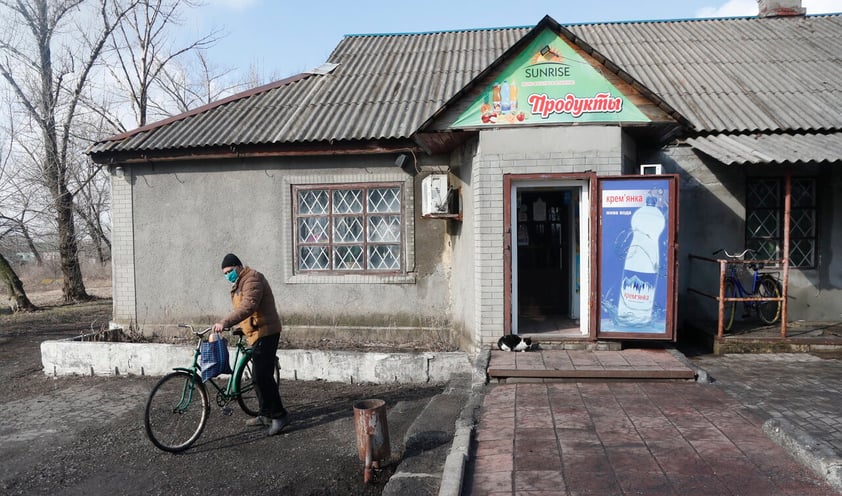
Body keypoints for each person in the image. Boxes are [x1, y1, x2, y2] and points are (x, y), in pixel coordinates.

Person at [212, 253, 290, 436]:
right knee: (257, 377)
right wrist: (241, 327)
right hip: (256, 332)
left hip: (267, 332)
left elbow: (249, 306)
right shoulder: (240, 283)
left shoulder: (252, 278)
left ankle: (280, 415)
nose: (228, 275)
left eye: (230, 271)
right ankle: (265, 414)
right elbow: (248, 312)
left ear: (239, 267)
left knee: (262, 376)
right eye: (225, 273)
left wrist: (225, 322)